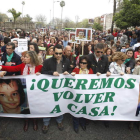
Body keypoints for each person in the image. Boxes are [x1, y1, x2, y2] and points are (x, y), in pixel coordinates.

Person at [0, 51, 42, 132]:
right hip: (26, 91)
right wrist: (2, 67)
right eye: (24, 57)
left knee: (35, 107)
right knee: (26, 106)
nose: (24, 58)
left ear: (32, 58)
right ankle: (26, 121)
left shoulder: (39, 67)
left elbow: (46, 75)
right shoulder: (23, 66)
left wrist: (40, 74)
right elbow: (12, 68)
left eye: (26, 57)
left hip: (36, 91)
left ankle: (34, 121)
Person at [41, 44, 71, 134]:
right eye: (56, 53)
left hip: (61, 88)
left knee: (60, 103)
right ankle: (46, 122)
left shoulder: (67, 61)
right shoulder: (47, 61)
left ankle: (59, 121)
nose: (58, 55)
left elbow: (70, 70)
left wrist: (68, 72)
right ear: (53, 52)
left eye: (60, 53)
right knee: (48, 103)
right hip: (50, 87)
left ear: (63, 52)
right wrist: (51, 73)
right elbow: (43, 72)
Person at [71, 55, 93, 133]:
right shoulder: (76, 70)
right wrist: (72, 75)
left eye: (84, 63)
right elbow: (70, 80)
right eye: (81, 63)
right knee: (76, 108)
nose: (82, 64)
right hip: (76, 93)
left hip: (86, 93)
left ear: (87, 64)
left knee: (84, 109)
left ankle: (83, 123)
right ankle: (76, 124)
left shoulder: (90, 70)